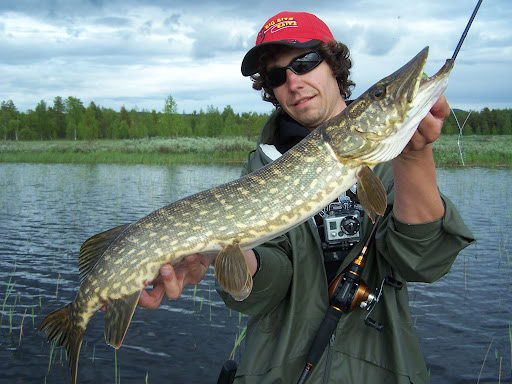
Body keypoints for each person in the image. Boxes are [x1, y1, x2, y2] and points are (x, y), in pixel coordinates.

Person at [139, 11, 475, 383]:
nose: (293, 82)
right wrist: (228, 259)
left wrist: (413, 157)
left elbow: (424, 263)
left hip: (383, 369)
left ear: (334, 66)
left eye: (305, 62)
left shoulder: (386, 162)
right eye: (276, 75)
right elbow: (263, 289)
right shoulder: (261, 167)